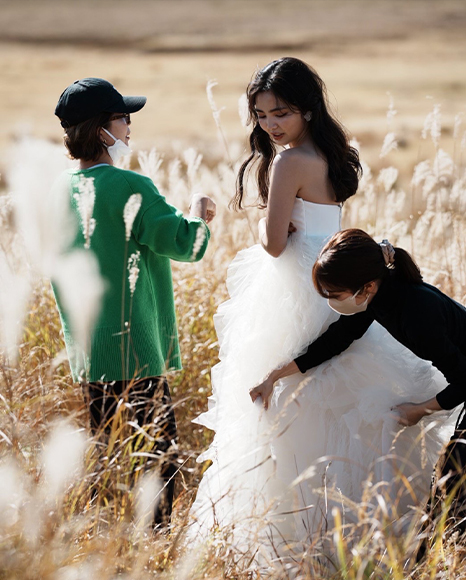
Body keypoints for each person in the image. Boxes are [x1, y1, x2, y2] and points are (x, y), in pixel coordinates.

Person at [189, 57, 452, 563]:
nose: (270, 125)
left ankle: (294, 534)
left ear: (307, 109)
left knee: (290, 406)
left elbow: (270, 244)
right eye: (262, 115)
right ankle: (359, 530)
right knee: (338, 396)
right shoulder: (336, 153)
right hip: (333, 274)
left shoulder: (287, 162)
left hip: (295, 284)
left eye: (280, 113)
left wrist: (274, 220)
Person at [52, 77, 216, 527]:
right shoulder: (131, 186)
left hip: (87, 350)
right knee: (157, 472)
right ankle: (156, 559)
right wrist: (199, 212)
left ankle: (106, 550)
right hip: (136, 351)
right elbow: (185, 244)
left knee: (108, 465)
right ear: (104, 129)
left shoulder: (56, 191)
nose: (130, 127)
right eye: (124, 118)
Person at [251, 228, 466, 539]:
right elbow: (335, 340)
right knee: (450, 487)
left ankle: (425, 560)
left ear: (365, 287)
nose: (330, 303)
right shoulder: (377, 298)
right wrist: (273, 376)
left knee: (451, 484)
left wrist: (421, 409)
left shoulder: (417, 314)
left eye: (334, 295)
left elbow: (463, 379)